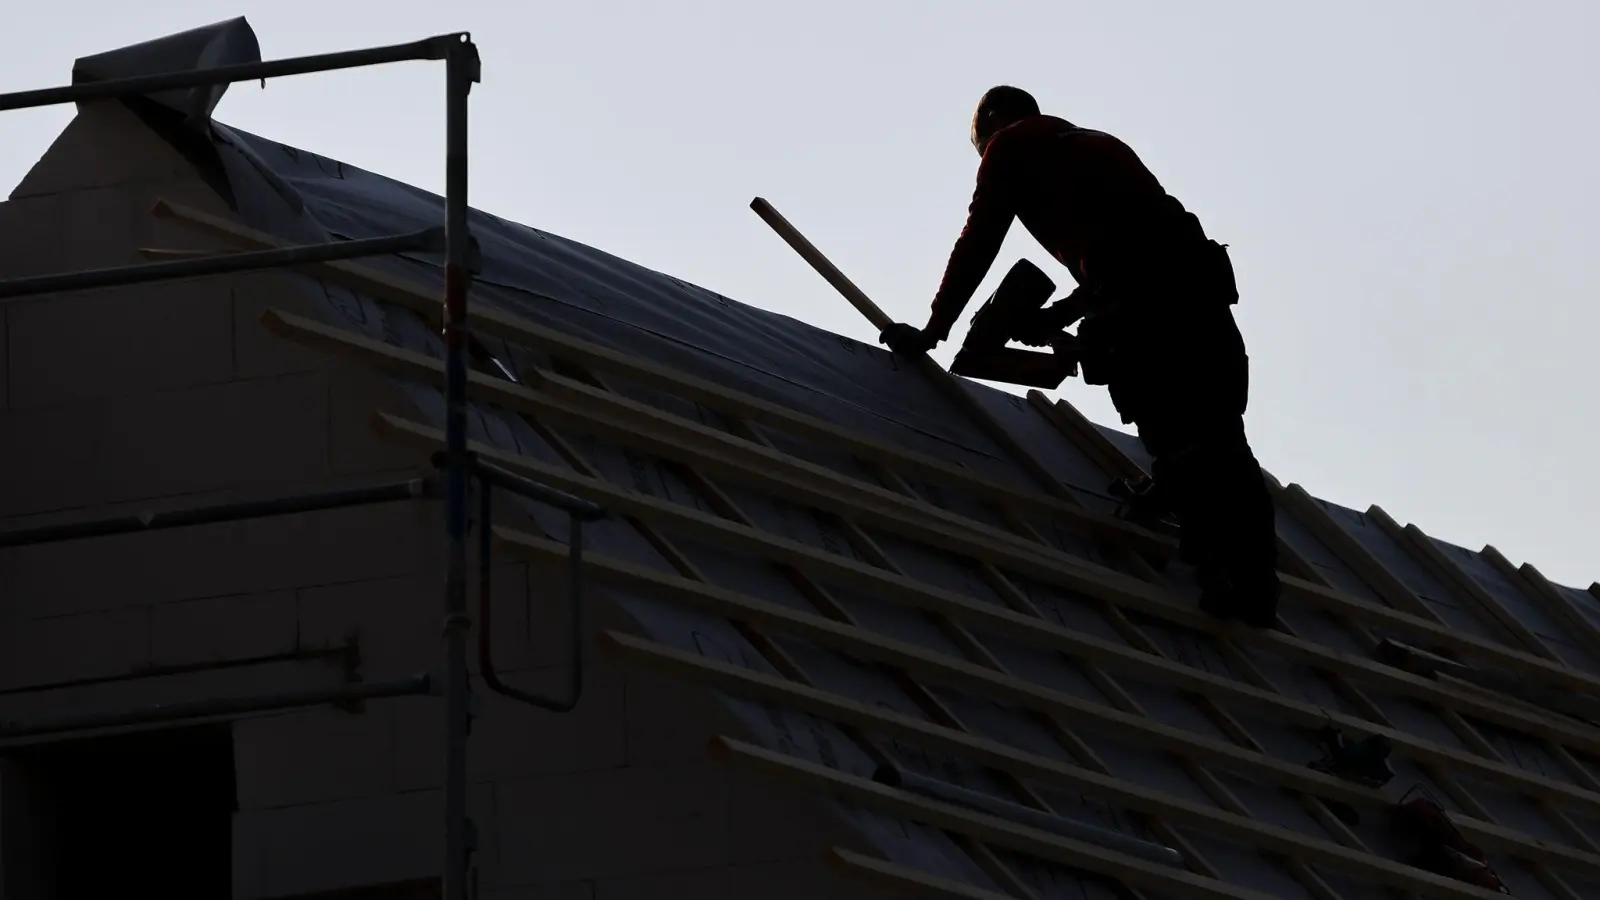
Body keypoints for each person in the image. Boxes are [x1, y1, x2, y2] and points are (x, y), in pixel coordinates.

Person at [878, 85, 1280, 626]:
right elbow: (1131, 249)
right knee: (1221, 435)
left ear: (994, 123)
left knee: (1182, 439)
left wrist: (935, 326)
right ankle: (1255, 580)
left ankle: (1227, 585)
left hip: (1148, 308)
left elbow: (982, 236)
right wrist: (1061, 317)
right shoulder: (1097, 145)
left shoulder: (1010, 144)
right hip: (1199, 294)